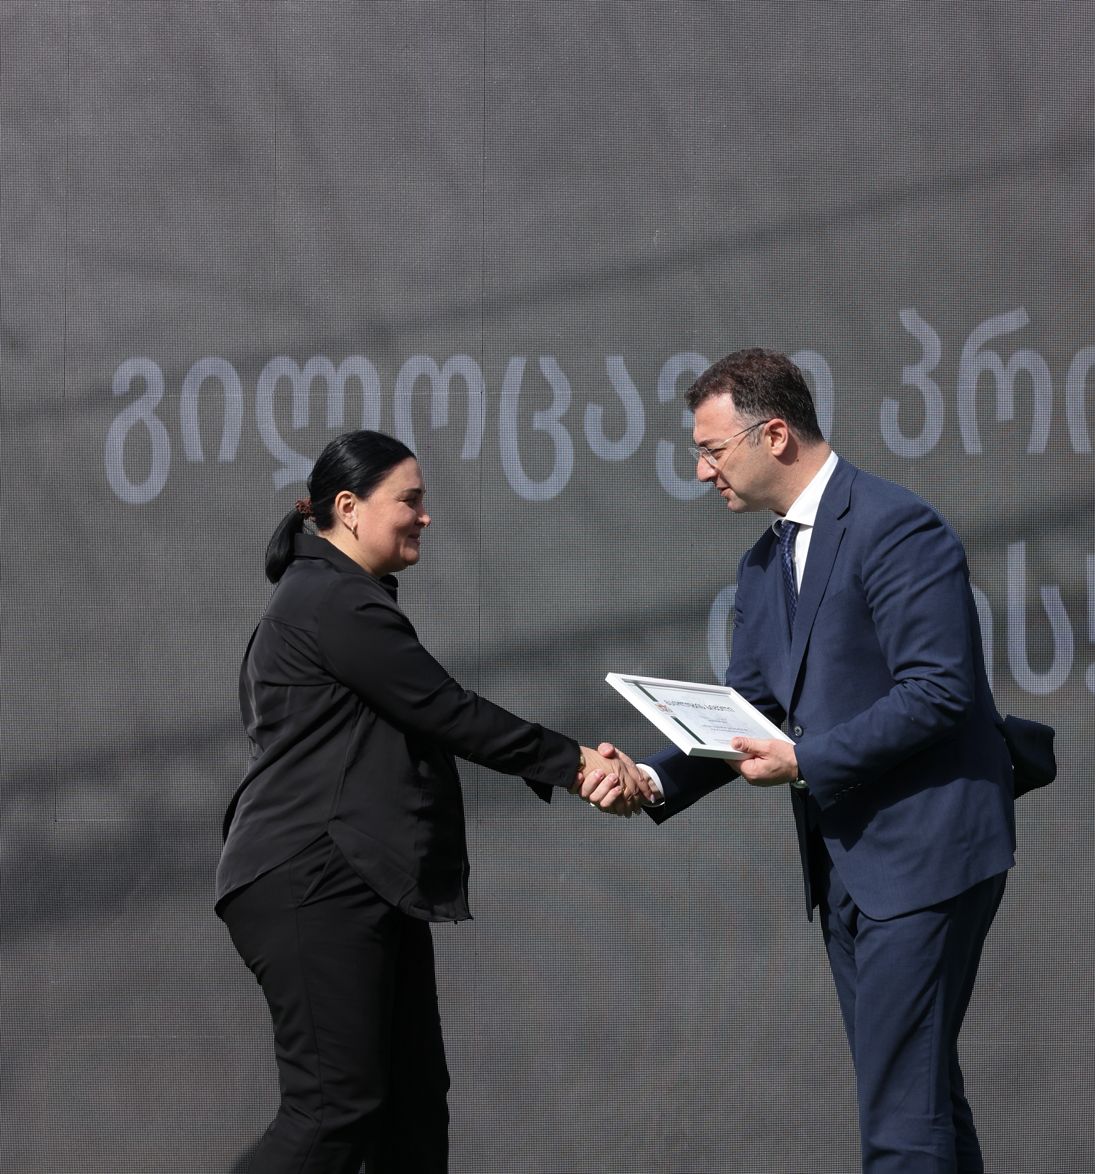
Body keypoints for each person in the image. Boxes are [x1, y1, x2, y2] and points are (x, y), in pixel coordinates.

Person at [612, 348, 1017, 1172]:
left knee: (901, 1124)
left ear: (775, 435)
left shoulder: (895, 525)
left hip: (925, 858)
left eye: (712, 450)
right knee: (920, 1100)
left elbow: (938, 690)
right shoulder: (763, 564)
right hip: (847, 873)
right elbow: (746, 712)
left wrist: (803, 761)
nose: (701, 472)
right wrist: (651, 778)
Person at [216, 429, 647, 1173]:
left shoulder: (331, 597)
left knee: (412, 1106)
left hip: (360, 879)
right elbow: (446, 709)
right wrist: (577, 763)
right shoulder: (331, 599)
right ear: (349, 507)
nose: (425, 516)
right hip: (313, 881)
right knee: (332, 1112)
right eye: (409, 501)